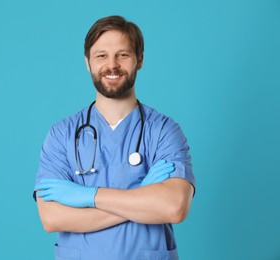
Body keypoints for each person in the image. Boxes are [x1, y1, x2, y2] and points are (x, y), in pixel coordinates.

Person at [33, 15, 195, 260]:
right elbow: (52, 218)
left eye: (123, 55)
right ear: (88, 62)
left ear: (139, 60)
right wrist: (142, 194)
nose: (112, 65)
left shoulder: (164, 131)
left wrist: (88, 196)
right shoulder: (61, 135)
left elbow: (174, 208)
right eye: (101, 56)